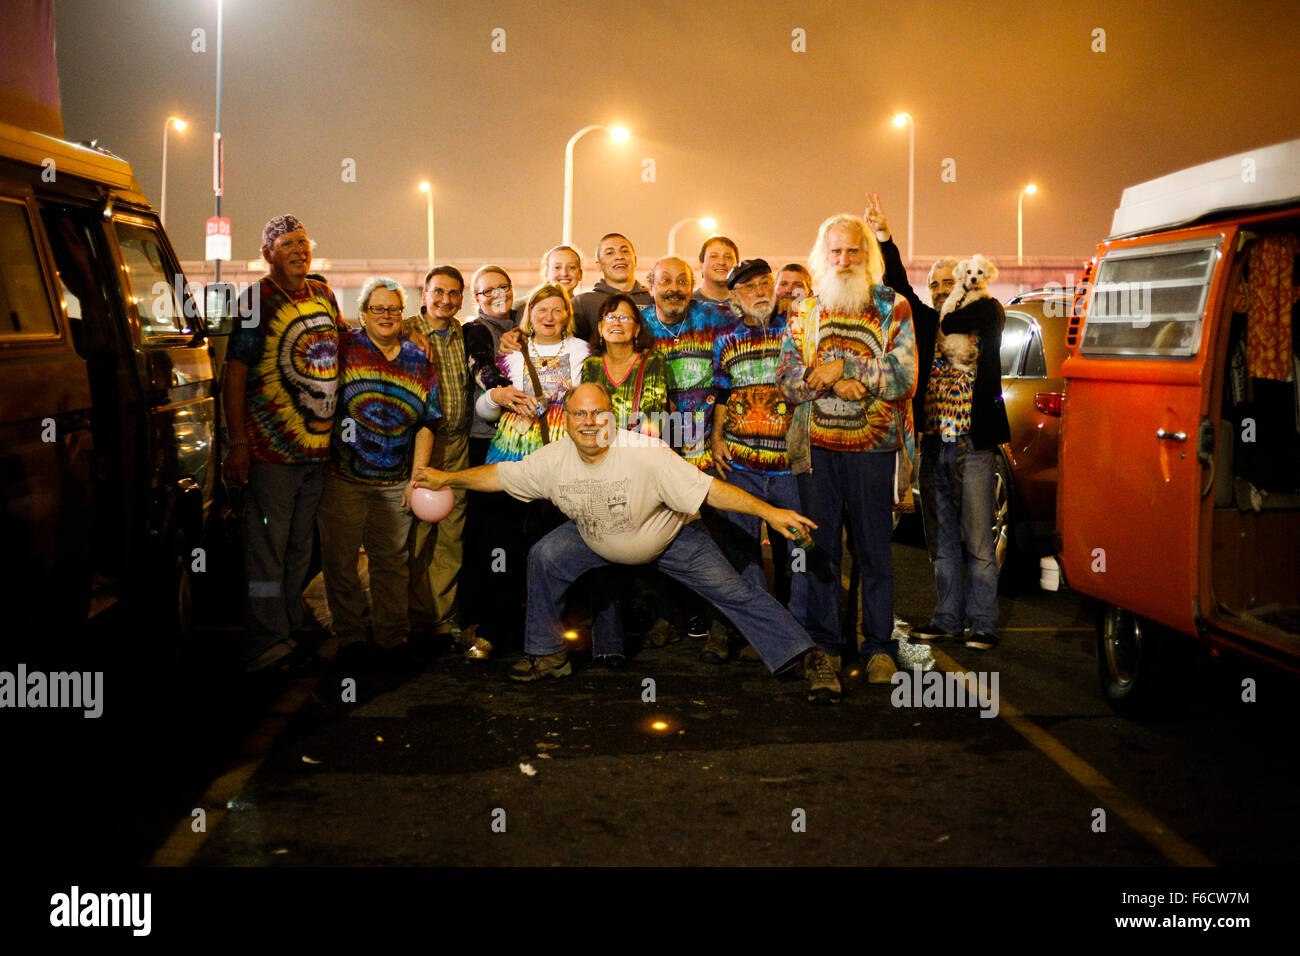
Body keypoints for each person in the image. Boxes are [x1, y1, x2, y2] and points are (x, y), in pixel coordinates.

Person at [413, 383, 843, 705]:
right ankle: (548, 656)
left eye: (597, 413)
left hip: (669, 536)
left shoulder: (646, 452)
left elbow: (712, 491)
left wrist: (771, 513)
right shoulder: (552, 459)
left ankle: (808, 657)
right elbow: (499, 477)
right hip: (596, 537)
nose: (589, 422)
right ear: (567, 418)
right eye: (579, 414)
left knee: (734, 590)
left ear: (612, 417)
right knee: (545, 556)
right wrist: (447, 478)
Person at [777, 213, 917, 702]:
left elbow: (904, 377)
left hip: (874, 451)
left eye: (853, 251)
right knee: (819, 553)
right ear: (823, 255)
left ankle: (878, 644)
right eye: (835, 251)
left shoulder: (891, 306)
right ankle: (825, 647)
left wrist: (846, 365)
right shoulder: (804, 311)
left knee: (875, 550)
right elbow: (789, 378)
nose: (843, 260)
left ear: (867, 255)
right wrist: (837, 379)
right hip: (816, 450)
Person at [866, 194, 1006, 650]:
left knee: (978, 541)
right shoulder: (928, 323)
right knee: (941, 540)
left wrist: (953, 311)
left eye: (952, 280)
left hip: (974, 444)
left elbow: (984, 309)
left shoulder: (985, 315)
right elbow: (899, 284)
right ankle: (948, 618)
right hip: (934, 445)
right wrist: (885, 239)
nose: (945, 288)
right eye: (938, 284)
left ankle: (982, 623)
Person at [222, 214, 344, 676]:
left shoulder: (323, 294)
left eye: (303, 242)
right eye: (287, 243)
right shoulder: (256, 299)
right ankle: (263, 643)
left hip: (318, 451)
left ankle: (290, 630)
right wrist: (238, 443)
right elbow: (235, 373)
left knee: (299, 548)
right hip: (272, 453)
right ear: (268, 252)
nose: (298, 250)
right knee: (266, 551)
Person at [318, 277, 441, 671]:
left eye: (393, 309)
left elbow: (428, 420)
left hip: (394, 480)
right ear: (363, 314)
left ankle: (392, 637)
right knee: (340, 562)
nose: (386, 315)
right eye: (378, 309)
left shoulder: (418, 359)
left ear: (402, 316)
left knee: (391, 562)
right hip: (343, 477)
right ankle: (351, 637)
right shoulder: (344, 348)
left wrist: (417, 475)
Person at [468, 284, 590, 657]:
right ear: (530, 315)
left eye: (557, 310)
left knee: (557, 544)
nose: (549, 317)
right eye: (542, 310)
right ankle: (496, 626)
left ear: (567, 315)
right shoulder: (511, 352)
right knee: (501, 542)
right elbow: (484, 411)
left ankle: (557, 630)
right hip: (511, 454)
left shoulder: (581, 351)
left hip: (561, 455)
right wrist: (496, 397)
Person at [708, 258, 804, 663]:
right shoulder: (725, 337)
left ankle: (799, 632)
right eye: (749, 287)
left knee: (797, 551)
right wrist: (715, 437)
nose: (761, 291)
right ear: (735, 297)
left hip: (790, 466)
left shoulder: (795, 329)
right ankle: (754, 630)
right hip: (741, 465)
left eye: (766, 282)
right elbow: (722, 392)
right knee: (743, 552)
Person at [458, 264, 526, 659]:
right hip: (487, 445)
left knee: (519, 536)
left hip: (527, 445)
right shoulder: (478, 330)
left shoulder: (525, 324)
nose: (496, 295)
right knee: (490, 536)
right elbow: (480, 365)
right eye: (487, 292)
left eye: (502, 288)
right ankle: (485, 622)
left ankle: (515, 618)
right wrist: (502, 391)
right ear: (477, 299)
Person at [404, 265, 471, 649]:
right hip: (419, 445)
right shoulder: (407, 330)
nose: (446, 300)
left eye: (453, 293)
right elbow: (367, 328)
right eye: (438, 292)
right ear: (424, 294)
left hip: (457, 445)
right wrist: (404, 330)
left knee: (450, 537)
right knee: (416, 534)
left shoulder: (466, 333)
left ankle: (441, 622)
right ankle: (412, 620)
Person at [580, 292, 675, 434]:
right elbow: (587, 413)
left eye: (624, 318)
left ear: (637, 329)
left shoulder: (653, 360)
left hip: (638, 448)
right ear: (600, 328)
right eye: (610, 317)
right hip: (598, 448)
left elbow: (653, 416)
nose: (616, 322)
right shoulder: (591, 364)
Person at [571, 233, 652, 340]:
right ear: (598, 264)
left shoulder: (653, 299)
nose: (619, 257)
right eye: (610, 253)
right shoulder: (582, 303)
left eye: (625, 251)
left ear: (635, 260)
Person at [694, 235, 740, 304]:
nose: (721, 262)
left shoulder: (748, 302)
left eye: (728, 257)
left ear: (737, 264)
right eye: (713, 256)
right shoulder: (687, 303)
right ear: (701, 264)